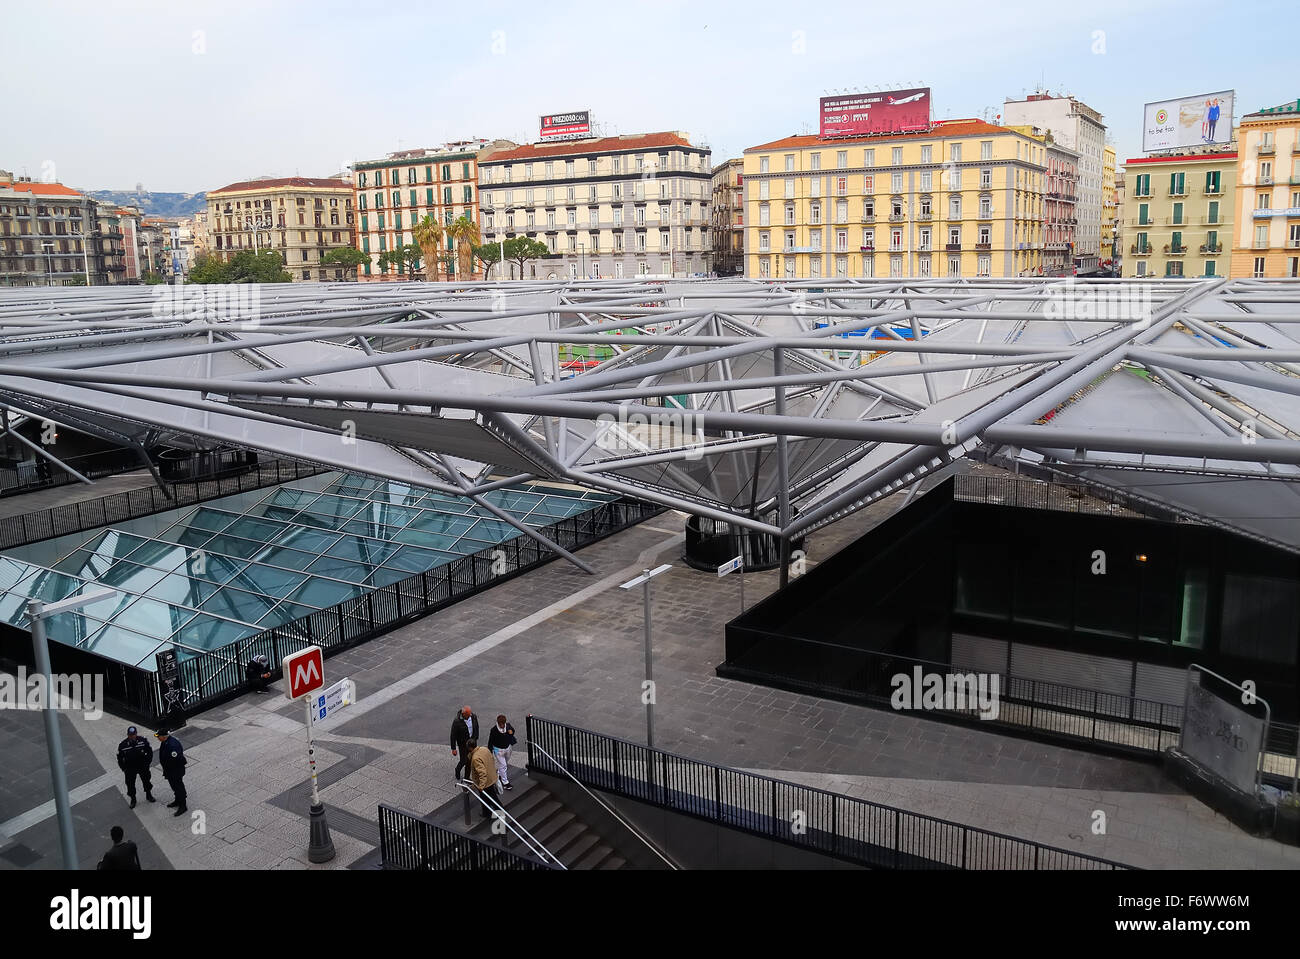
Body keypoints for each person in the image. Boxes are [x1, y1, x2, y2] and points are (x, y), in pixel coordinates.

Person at [116, 725, 155, 809]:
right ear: (128, 735)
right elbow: (120, 758)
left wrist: (147, 763)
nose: (132, 736)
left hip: (142, 766)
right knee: (130, 784)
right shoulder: (123, 745)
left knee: (146, 780)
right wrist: (124, 768)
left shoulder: (142, 741)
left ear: (136, 734)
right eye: (130, 735)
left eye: (133, 734)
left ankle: (149, 794)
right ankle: (133, 799)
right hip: (130, 768)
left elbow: (149, 752)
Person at [155, 728, 187, 816]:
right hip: (170, 770)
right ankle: (177, 800)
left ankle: (183, 805)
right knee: (174, 786)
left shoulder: (172, 746)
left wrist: (173, 770)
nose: (157, 738)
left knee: (178, 787)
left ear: (164, 736)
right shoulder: (165, 742)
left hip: (175, 771)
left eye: (159, 736)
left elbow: (178, 759)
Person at [467, 737, 500, 821]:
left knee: (489, 798)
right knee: (490, 797)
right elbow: (492, 759)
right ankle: (487, 812)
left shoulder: (475, 758)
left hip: (485, 782)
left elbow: (482, 773)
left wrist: (481, 786)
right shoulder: (484, 749)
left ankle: (493, 812)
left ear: (470, 748)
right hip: (491, 777)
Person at [487, 714, 517, 791]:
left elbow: (513, 731)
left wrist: (511, 732)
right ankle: (505, 782)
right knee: (503, 764)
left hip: (508, 748)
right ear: (498, 723)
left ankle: (500, 774)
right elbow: (490, 741)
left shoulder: (508, 725)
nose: (502, 726)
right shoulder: (494, 730)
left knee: (505, 763)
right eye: (501, 724)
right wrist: (490, 751)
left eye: (503, 724)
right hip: (498, 749)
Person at [449, 705, 479, 782]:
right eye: (469, 714)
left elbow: (476, 727)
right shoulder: (457, 721)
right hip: (463, 744)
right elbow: (453, 735)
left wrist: (475, 738)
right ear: (464, 714)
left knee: (470, 761)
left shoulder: (473, 716)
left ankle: (466, 777)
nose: (470, 715)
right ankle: (457, 769)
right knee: (464, 760)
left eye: (470, 714)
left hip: (472, 743)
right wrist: (453, 748)